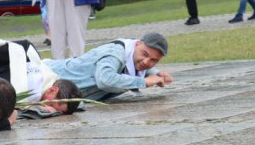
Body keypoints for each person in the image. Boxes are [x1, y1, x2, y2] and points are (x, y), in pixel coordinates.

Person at [44, 32, 173, 102]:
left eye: (153, 60)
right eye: (145, 54)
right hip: (44, 76)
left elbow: (134, 66)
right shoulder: (115, 53)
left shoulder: (131, 52)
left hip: (56, 87)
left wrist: (155, 73)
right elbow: (105, 80)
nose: (146, 62)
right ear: (137, 44)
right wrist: (142, 82)